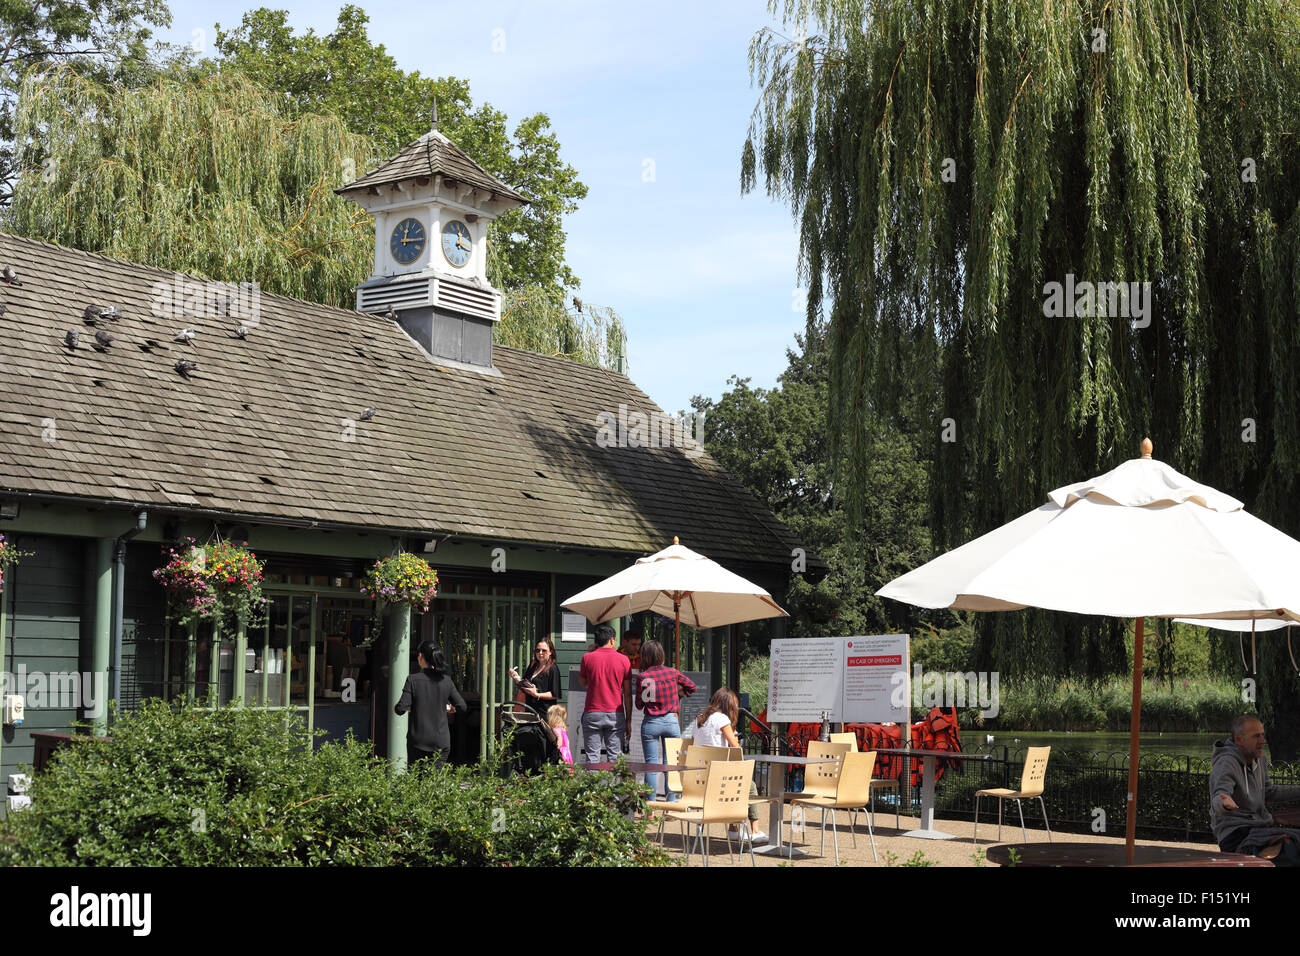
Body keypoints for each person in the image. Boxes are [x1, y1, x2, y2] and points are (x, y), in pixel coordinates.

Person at [1210, 714, 1300, 864]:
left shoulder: (1259, 758)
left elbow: (1269, 791)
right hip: (1236, 835)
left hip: (1259, 828)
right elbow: (1219, 794)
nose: (1263, 741)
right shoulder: (1226, 763)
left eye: (1263, 735)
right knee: (1289, 851)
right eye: (1256, 736)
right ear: (1239, 740)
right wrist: (1223, 802)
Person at [685, 687, 764, 841]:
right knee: (750, 787)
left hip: (699, 778)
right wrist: (734, 736)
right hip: (717, 777)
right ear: (729, 705)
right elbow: (735, 748)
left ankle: (734, 830)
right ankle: (755, 831)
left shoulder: (699, 718)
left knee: (736, 784)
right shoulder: (722, 719)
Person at [635, 639, 696, 800]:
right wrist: (678, 695)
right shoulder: (672, 673)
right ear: (661, 655)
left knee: (651, 765)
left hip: (651, 722)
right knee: (671, 763)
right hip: (671, 721)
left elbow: (639, 705)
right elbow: (692, 686)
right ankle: (671, 803)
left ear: (645, 657)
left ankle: (651, 806)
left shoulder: (642, 677)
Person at [393, 641, 466, 767]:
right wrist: (450, 708)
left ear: (420, 656)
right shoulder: (446, 681)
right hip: (441, 741)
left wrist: (405, 708)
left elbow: (400, 709)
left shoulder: (413, 680)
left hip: (418, 741)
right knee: (434, 781)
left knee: (417, 781)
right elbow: (462, 707)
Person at [578, 623, 632, 762]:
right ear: (612, 640)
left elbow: (583, 683)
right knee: (615, 759)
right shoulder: (624, 660)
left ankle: (593, 784)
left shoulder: (587, 658)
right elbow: (627, 693)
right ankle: (615, 784)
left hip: (592, 712)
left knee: (592, 758)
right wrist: (628, 721)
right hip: (615, 713)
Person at [512, 636, 562, 719]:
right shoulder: (533, 665)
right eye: (537, 650)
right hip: (529, 711)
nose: (540, 653)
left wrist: (537, 694)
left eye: (544, 650)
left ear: (550, 652)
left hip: (544, 714)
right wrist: (516, 678)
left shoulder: (553, 668)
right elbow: (524, 684)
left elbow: (555, 694)